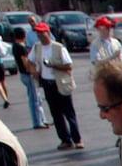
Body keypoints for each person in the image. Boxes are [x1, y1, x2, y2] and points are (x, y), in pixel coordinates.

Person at [30, 22, 83, 150]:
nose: (39, 35)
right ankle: (65, 139)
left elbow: (68, 66)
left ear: (48, 33)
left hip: (61, 83)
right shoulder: (37, 47)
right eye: (37, 33)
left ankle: (77, 139)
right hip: (47, 84)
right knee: (56, 114)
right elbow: (30, 61)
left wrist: (52, 65)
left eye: (42, 32)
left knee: (69, 113)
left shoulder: (58, 48)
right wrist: (34, 72)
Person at [13, 27, 49, 130]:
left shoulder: (15, 46)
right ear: (23, 36)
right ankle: (37, 122)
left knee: (37, 98)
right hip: (27, 75)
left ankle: (42, 119)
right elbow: (25, 62)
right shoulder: (21, 47)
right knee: (34, 99)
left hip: (23, 74)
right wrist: (33, 72)